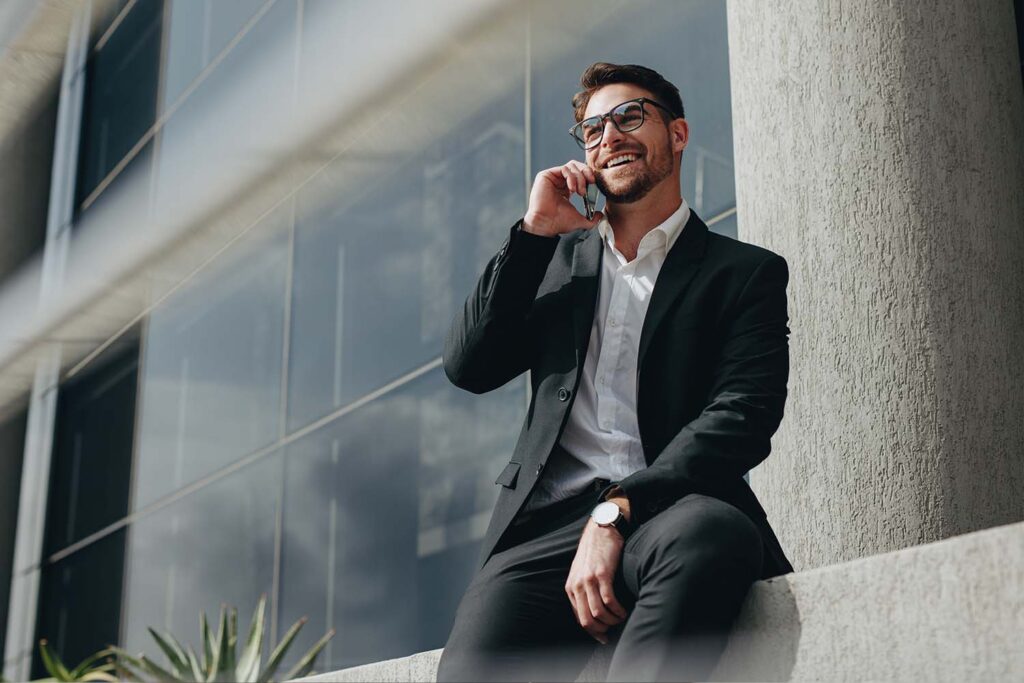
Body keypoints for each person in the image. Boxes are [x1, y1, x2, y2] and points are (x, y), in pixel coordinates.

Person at [437, 62, 794, 683]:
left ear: (677, 134)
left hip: (669, 509)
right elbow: (469, 367)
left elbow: (742, 414)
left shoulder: (744, 274)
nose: (611, 136)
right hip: (543, 535)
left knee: (714, 533)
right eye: (594, 128)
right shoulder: (553, 265)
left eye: (631, 116)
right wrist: (532, 234)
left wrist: (619, 510)